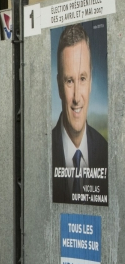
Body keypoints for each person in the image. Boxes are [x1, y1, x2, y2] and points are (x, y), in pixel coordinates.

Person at [51, 23, 108, 205]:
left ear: (90, 81)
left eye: (82, 79)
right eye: (69, 81)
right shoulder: (44, 152)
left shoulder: (106, 151)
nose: (76, 97)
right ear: (59, 85)